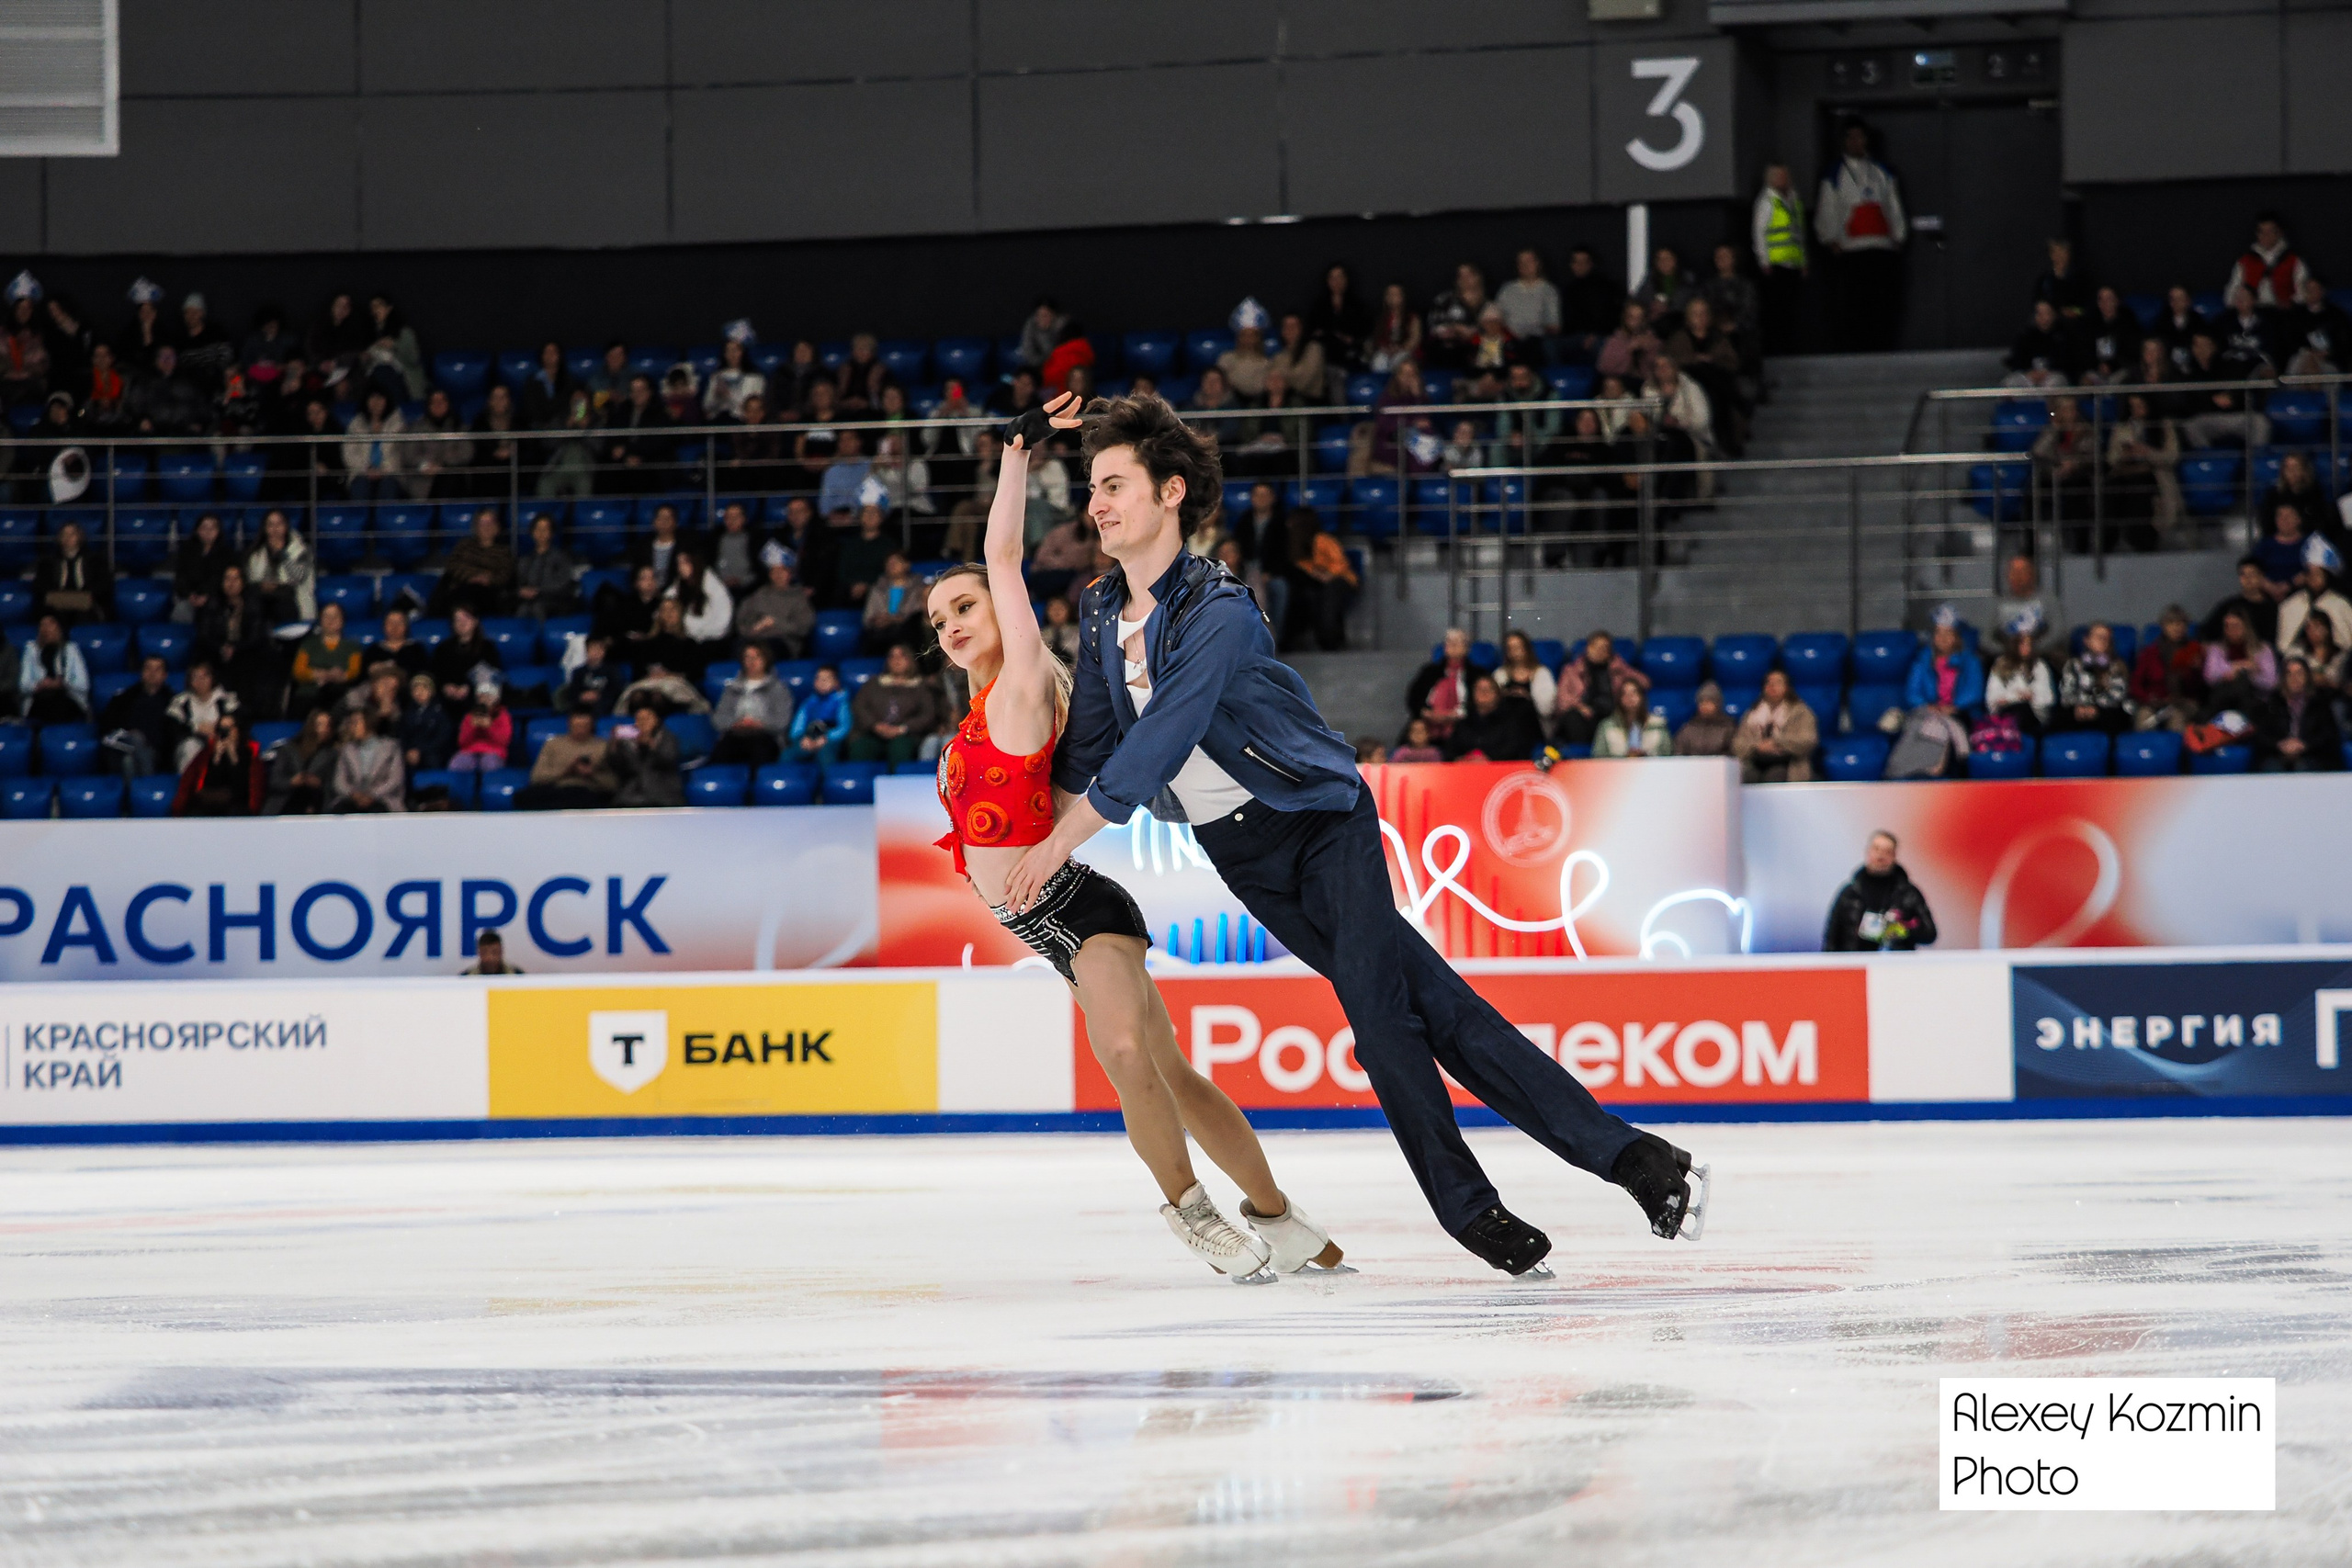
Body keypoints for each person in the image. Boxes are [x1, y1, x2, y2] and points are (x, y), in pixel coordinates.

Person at [1000, 391, 1706, 1275]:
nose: (1096, 504)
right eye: (1092, 487)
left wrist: (1052, 846)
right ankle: (1638, 1160)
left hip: (1320, 822)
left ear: (1171, 491)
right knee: (1438, 1008)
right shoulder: (1103, 611)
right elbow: (1093, 741)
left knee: (1380, 1022)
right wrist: (1007, 804)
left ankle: (1470, 1212)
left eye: (1114, 484)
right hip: (1242, 853)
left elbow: (1158, 741)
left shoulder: (1218, 606)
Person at [927, 390, 1343, 1280]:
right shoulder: (969, 708)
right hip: (1035, 925)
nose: (952, 625)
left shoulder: (1024, 683)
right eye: (937, 621)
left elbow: (1003, 553)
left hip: (1077, 909)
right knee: (1174, 1076)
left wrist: (1012, 456)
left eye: (966, 606)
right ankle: (1283, 1219)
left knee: (1121, 1054)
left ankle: (1191, 1211)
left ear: (1005, 616)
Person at [1815, 119, 1907, 352]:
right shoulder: (1834, 172)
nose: (1856, 142)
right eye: (1851, 137)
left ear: (1867, 140)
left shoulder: (1881, 171)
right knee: (1854, 304)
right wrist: (1830, 238)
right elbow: (1828, 207)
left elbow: (1893, 204)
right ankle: (1856, 349)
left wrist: (1899, 234)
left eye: (1860, 137)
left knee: (1881, 303)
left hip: (1881, 246)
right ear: (1844, 141)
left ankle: (1882, 347)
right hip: (1852, 249)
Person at [1823, 831, 1937, 951]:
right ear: (1868, 852)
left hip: (1895, 965)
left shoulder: (1909, 893)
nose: (1880, 856)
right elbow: (1831, 937)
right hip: (1857, 963)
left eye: (1887, 852)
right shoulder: (1849, 893)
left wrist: (1903, 930)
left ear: (1894, 856)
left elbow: (1930, 934)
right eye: (1876, 849)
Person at [845, 642, 940, 764]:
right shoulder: (873, 684)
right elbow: (859, 707)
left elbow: (928, 714)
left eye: (901, 656)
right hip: (872, 732)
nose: (896, 661)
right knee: (861, 748)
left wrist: (902, 729)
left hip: (906, 735)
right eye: (892, 657)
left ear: (910, 660)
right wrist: (875, 725)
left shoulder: (921, 686)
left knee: (900, 749)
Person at [1752, 162, 1809, 354]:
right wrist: (1764, 261)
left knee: (1792, 312)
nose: (1784, 180)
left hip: (1792, 264)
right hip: (1775, 266)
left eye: (1786, 176)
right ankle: (1778, 350)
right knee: (1777, 312)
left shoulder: (1793, 199)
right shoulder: (1766, 201)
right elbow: (1759, 233)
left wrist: (1803, 261)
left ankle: (1790, 349)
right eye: (1780, 176)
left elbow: (1798, 232)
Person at [1553, 631, 1645, 747]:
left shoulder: (1617, 670)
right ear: (1588, 648)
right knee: (1573, 718)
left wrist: (1621, 667)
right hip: (1583, 717)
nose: (1599, 651)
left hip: (1610, 717)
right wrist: (1580, 706)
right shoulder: (1571, 670)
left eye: (1604, 648)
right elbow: (1562, 699)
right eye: (1595, 646)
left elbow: (1645, 682)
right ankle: (1582, 757)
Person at [519, 706, 618, 810]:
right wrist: (566, 771)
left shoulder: (603, 746)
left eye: (584, 726)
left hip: (589, 791)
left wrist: (591, 774)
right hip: (557, 789)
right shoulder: (553, 744)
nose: (580, 730)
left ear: (592, 726)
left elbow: (613, 785)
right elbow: (537, 777)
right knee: (524, 797)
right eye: (577, 726)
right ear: (569, 724)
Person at [710, 642, 793, 766]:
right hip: (735, 735)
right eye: (748, 657)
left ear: (765, 660)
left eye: (756, 657)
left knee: (760, 751)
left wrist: (760, 724)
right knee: (721, 752)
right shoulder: (732, 689)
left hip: (765, 736)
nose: (751, 661)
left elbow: (782, 721)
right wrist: (736, 723)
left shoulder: (779, 689)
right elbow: (718, 719)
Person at [2253, 656, 2341, 773]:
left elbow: (2329, 735)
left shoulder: (2319, 703)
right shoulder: (2272, 704)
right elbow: (2261, 735)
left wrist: (2305, 745)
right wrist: (2279, 745)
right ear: (2284, 678)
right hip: (2277, 755)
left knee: (2304, 767)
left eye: (2299, 673)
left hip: (2311, 755)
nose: (2295, 678)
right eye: (2290, 674)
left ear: (2307, 677)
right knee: (2272, 768)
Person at [98, 655, 178, 780]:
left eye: (157, 670)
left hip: (156, 754)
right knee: (135, 741)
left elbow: (173, 738)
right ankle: (148, 785)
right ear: (141, 673)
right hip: (122, 748)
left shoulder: (174, 702)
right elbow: (106, 728)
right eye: (148, 669)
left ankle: (133, 795)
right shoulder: (124, 699)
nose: (152, 673)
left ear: (165, 675)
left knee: (129, 762)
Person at [172, 712, 265, 817]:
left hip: (237, 805)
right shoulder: (207, 755)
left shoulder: (250, 755)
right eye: (222, 729)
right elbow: (197, 784)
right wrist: (216, 759)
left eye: (229, 728)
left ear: (238, 730)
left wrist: (233, 757)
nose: (225, 733)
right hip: (210, 802)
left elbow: (247, 788)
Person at [1730, 671, 1816, 781]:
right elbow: (1737, 744)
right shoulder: (1752, 713)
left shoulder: (1801, 713)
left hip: (1789, 763)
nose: (1772, 686)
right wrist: (1757, 746)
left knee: (1774, 776)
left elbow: (1808, 740)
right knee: (1747, 776)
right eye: (1768, 683)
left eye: (1778, 682)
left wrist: (1777, 742)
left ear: (1787, 687)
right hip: (1755, 761)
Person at [2131, 604, 2205, 731]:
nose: (2177, 627)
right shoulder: (2150, 653)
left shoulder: (2194, 650)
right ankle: (2145, 750)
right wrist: (2149, 698)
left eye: (2181, 623)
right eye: (2172, 623)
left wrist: (2194, 671)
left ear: (2186, 627)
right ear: (2164, 626)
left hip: (2182, 702)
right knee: (2144, 719)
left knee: (2177, 719)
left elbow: (2201, 690)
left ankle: (2176, 749)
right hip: (2154, 702)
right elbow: (2135, 685)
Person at [735, 543, 814, 660]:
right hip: (755, 640)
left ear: (790, 574)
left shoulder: (798, 598)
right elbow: (742, 621)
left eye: (782, 571)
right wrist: (753, 629)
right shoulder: (759, 595)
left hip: (782, 643)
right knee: (738, 647)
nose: (778, 575)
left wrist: (774, 623)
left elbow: (803, 628)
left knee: (767, 651)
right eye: (774, 571)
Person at [1404, 627, 1482, 747]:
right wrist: (1427, 713)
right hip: (1428, 725)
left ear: (1467, 648)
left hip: (1464, 726)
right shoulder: (1429, 672)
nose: (1452, 645)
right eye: (1449, 641)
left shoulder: (1476, 674)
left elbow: (1479, 703)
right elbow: (1413, 698)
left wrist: (1455, 715)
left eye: (1457, 642)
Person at [434, 509, 518, 618]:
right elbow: (452, 565)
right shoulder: (464, 545)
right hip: (462, 589)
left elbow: (505, 574)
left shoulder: (504, 551)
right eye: (482, 523)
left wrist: (488, 580)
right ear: (476, 527)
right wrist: (474, 576)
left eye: (490, 523)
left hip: (488, 593)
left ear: (497, 527)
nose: (487, 527)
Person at [2277, 538, 2352, 660]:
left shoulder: (2341, 605)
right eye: (2310, 574)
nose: (2314, 579)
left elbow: (2346, 646)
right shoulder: (2290, 604)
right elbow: (2284, 646)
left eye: (2318, 574)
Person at [1444, 672, 1544, 762]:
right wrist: (1463, 760)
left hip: (1500, 773)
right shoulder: (1464, 724)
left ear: (1497, 694)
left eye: (1489, 689)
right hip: (1464, 773)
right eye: (1479, 689)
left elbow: (1514, 751)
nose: (1484, 693)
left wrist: (1488, 760)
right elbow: (1450, 753)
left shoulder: (1510, 721)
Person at [288, 601, 362, 719]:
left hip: (339, 695)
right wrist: (319, 675)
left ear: (342, 620)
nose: (331, 620)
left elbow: (354, 672)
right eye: (327, 616)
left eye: (335, 616)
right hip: (309, 695)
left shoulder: (352, 647)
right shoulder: (308, 645)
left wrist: (340, 677)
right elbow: (298, 671)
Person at [2056, 623, 2132, 735]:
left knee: (2116, 716)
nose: (2103, 641)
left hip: (2104, 711)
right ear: (2087, 640)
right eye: (2099, 637)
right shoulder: (2074, 664)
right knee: (2061, 715)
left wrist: (2095, 709)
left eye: (2106, 638)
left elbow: (2118, 696)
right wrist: (2081, 707)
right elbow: (2067, 692)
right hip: (2079, 709)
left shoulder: (2117, 666)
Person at [2201, 607, 2277, 718]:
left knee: (2242, 681)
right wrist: (2236, 667)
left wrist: (2251, 675)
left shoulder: (2263, 649)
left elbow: (2271, 682)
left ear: (2246, 627)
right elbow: (2210, 677)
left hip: (2256, 701)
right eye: (2227, 626)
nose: (2231, 630)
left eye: (2235, 626)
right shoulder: (2216, 649)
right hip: (2223, 701)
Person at [2224, 213, 2309, 311]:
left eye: (2270, 231)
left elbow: (2304, 292)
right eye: (2261, 232)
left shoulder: (2294, 261)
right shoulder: (2245, 261)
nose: (2266, 236)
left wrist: (2291, 303)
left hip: (2284, 315)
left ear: (2280, 233)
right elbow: (2233, 290)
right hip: (2253, 314)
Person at [244, 508, 316, 623]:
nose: (275, 529)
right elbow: (252, 580)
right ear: (265, 528)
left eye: (279, 524)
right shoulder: (256, 554)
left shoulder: (302, 550)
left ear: (286, 526)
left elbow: (298, 577)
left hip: (293, 602)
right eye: (271, 525)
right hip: (264, 604)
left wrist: (283, 554)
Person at [1983, 623, 2054, 736]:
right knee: (2016, 710)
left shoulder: (2040, 666)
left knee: (2023, 709)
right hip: (2006, 713)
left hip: (2033, 715)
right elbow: (1992, 696)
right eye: (2022, 643)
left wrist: (2031, 697)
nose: (2026, 648)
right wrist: (2016, 697)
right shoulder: (2000, 664)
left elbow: (2047, 698)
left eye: (2029, 644)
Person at [34, 520, 110, 625]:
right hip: (57, 604)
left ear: (80, 537)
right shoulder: (47, 563)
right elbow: (41, 586)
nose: (68, 538)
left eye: (72, 534)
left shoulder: (95, 560)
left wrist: (84, 597)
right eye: (64, 534)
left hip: (86, 603)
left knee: (85, 613)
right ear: (59, 538)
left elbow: (103, 584)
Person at [328, 708, 404, 812]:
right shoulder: (347, 750)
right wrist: (353, 794)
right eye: (351, 723)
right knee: (341, 809)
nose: (351, 727)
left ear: (369, 723)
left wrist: (372, 795)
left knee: (377, 809)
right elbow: (339, 781)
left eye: (355, 723)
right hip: (353, 798)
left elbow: (394, 780)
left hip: (382, 798)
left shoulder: (391, 748)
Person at [266, 707, 339, 815]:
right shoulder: (289, 749)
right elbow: (275, 781)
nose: (325, 729)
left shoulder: (331, 754)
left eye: (328, 725)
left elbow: (333, 785)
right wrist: (292, 781)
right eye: (320, 725)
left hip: (316, 803)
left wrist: (319, 784)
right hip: (286, 801)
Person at [17, 613, 89, 724]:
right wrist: (40, 685)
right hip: (40, 699)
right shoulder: (31, 650)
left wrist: (61, 683)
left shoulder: (71, 649)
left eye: (50, 624)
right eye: (43, 625)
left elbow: (83, 685)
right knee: (47, 704)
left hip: (67, 698)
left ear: (58, 628)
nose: (46, 629)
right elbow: (23, 685)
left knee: (59, 706)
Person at [609, 702, 684, 807]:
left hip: (662, 790)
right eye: (639, 719)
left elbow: (668, 761)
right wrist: (614, 746)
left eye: (647, 718)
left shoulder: (667, 738)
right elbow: (618, 767)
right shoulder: (627, 742)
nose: (643, 723)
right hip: (632, 792)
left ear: (656, 720)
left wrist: (652, 747)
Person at [165, 660, 237, 771]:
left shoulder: (226, 699)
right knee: (190, 746)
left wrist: (217, 728)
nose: (201, 681)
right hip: (191, 745)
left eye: (205, 676)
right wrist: (196, 728)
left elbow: (239, 721)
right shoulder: (180, 702)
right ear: (190, 681)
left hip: (220, 742)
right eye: (196, 677)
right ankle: (189, 785)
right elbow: (172, 728)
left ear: (212, 678)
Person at [170, 511, 236, 626]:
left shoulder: (227, 554)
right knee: (181, 610)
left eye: (212, 528)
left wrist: (208, 596)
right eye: (204, 527)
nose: (208, 532)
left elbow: (225, 581)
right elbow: (180, 578)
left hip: (216, 599)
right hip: (190, 598)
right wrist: (189, 595)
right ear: (197, 530)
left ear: (218, 531)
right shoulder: (186, 551)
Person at [514, 512, 579, 622]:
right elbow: (519, 581)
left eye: (545, 529)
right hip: (528, 600)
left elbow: (564, 583)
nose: (541, 533)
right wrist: (522, 590)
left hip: (553, 600)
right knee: (522, 609)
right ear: (532, 532)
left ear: (551, 533)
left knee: (537, 608)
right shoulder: (525, 559)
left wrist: (539, 591)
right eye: (538, 529)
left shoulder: (561, 557)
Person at [2204, 557, 2280, 647]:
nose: (2248, 579)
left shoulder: (2272, 607)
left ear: (2261, 577)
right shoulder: (2230, 606)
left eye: (2252, 574)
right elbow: (2207, 632)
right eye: (2243, 575)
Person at [860, 550, 925, 653]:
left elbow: (918, 612)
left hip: (906, 629)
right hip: (880, 631)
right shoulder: (877, 588)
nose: (892, 566)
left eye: (896, 562)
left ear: (906, 565)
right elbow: (868, 616)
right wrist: (878, 620)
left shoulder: (918, 587)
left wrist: (894, 619)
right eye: (889, 563)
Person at [1590, 678, 1673, 758]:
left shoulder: (1658, 724)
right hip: (1617, 770)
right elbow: (1598, 757)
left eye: (1634, 693)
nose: (1630, 697)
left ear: (1642, 697)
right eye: (1625, 694)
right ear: (1619, 699)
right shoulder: (1606, 726)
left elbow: (1668, 755)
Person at [789, 663, 851, 764]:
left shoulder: (841, 702)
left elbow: (844, 727)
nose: (821, 682)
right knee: (789, 754)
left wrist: (827, 738)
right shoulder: (808, 703)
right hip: (808, 737)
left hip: (830, 739)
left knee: (825, 753)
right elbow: (796, 728)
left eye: (826, 679)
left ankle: (828, 779)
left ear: (836, 683)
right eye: (818, 678)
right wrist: (802, 738)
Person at [1493, 630, 1557, 726]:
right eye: (1510, 648)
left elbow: (1547, 709)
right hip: (1504, 724)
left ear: (1526, 648)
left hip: (1533, 724)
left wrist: (1527, 696)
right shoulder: (1500, 674)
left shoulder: (1542, 673)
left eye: (1517, 647)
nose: (1514, 652)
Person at [448, 681, 513, 773]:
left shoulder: (503, 716)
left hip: (493, 752)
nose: (485, 700)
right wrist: (473, 728)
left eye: (488, 697)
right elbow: (462, 742)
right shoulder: (469, 716)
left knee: (490, 764)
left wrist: (488, 728)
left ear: (496, 699)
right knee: (457, 764)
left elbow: (503, 741)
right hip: (470, 752)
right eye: (482, 697)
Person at [400, 671, 454, 773]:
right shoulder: (407, 714)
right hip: (411, 753)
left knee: (432, 760)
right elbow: (403, 735)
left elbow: (442, 737)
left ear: (431, 691)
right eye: (416, 689)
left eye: (424, 689)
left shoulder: (439, 712)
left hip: (431, 753)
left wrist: (421, 750)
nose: (419, 692)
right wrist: (408, 750)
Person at [556, 634, 621, 717]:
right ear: (586, 650)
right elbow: (573, 691)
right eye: (592, 649)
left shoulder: (612, 671)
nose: (596, 652)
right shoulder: (578, 672)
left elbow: (616, 690)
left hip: (604, 706)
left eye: (599, 649)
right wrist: (582, 696)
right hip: (582, 706)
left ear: (604, 651)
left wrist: (599, 696)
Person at [362, 605, 430, 682]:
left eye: (399, 622)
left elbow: (424, 675)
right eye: (390, 622)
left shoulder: (417, 649)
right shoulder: (373, 650)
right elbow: (364, 676)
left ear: (406, 626)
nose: (395, 627)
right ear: (384, 626)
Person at [1674, 682, 1736, 759]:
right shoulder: (1688, 729)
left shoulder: (1729, 728)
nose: (1705, 706)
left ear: (1718, 704)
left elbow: (1733, 756)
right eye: (1702, 702)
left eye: (1709, 702)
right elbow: (1678, 754)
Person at [460, 931, 524, 976]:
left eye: (494, 952)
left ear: (501, 951)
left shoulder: (518, 977)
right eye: (484, 952)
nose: (489, 957)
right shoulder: (466, 979)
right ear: (479, 953)